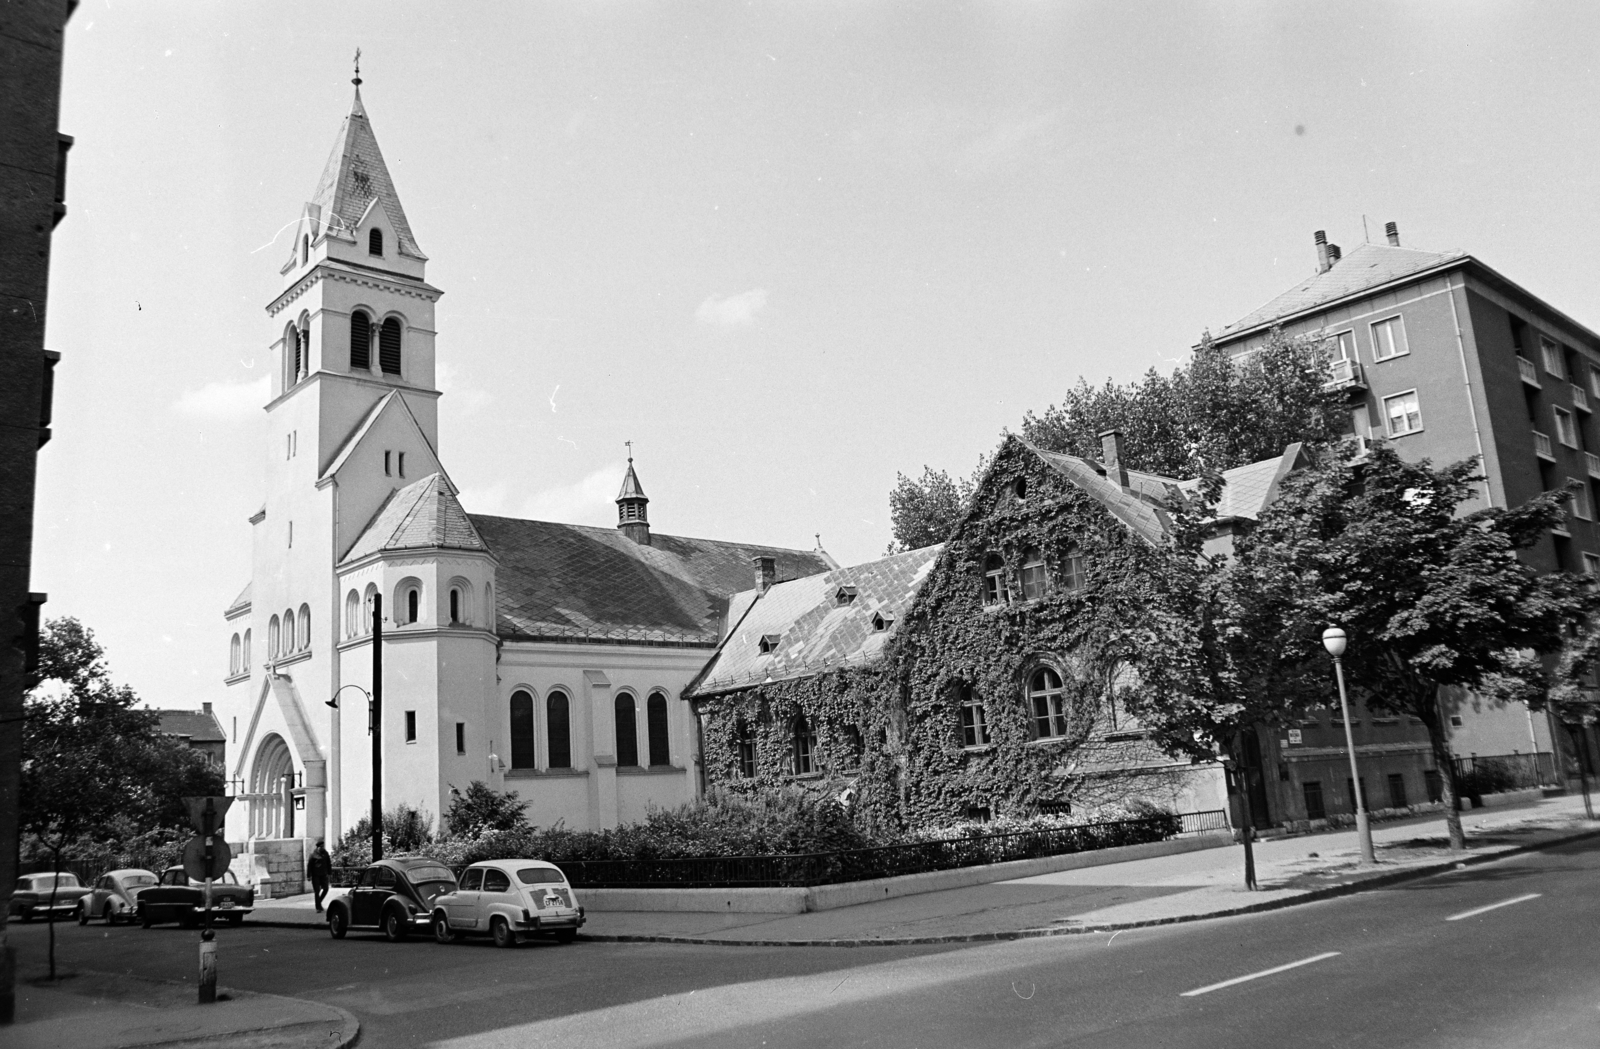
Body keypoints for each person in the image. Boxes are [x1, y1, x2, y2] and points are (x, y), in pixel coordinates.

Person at [308, 839, 332, 912]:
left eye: (323, 846)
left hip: (324, 875)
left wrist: (329, 873)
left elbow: (329, 864)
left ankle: (319, 902)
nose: (322, 848)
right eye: (320, 847)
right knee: (317, 891)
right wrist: (309, 876)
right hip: (316, 875)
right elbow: (309, 866)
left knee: (326, 889)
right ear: (317, 847)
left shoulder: (326, 854)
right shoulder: (313, 855)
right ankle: (318, 907)